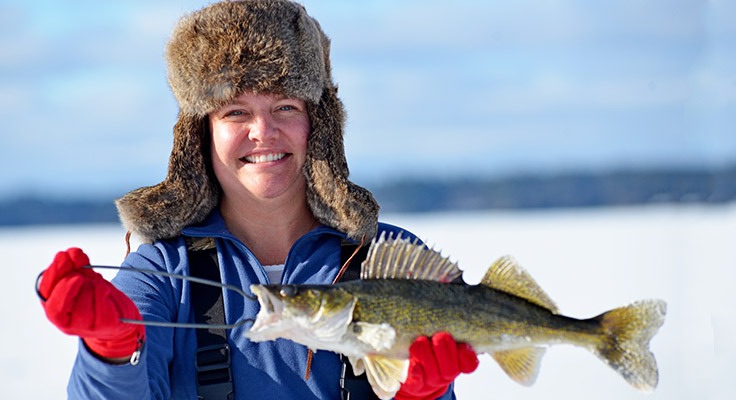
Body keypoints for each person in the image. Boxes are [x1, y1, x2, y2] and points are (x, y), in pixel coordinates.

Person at [36, 1, 477, 399]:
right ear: (200, 136)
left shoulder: (389, 260)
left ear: (317, 126)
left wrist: (425, 396)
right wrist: (110, 351)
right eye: (235, 112)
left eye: (285, 107)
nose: (263, 132)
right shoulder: (161, 272)